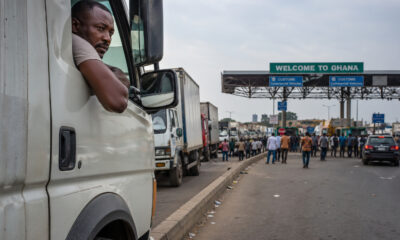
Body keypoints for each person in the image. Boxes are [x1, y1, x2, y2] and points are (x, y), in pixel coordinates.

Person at [71, 0, 129, 113]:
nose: (107, 38)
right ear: (75, 25)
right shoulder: (75, 43)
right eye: (101, 28)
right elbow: (118, 101)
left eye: (111, 33)